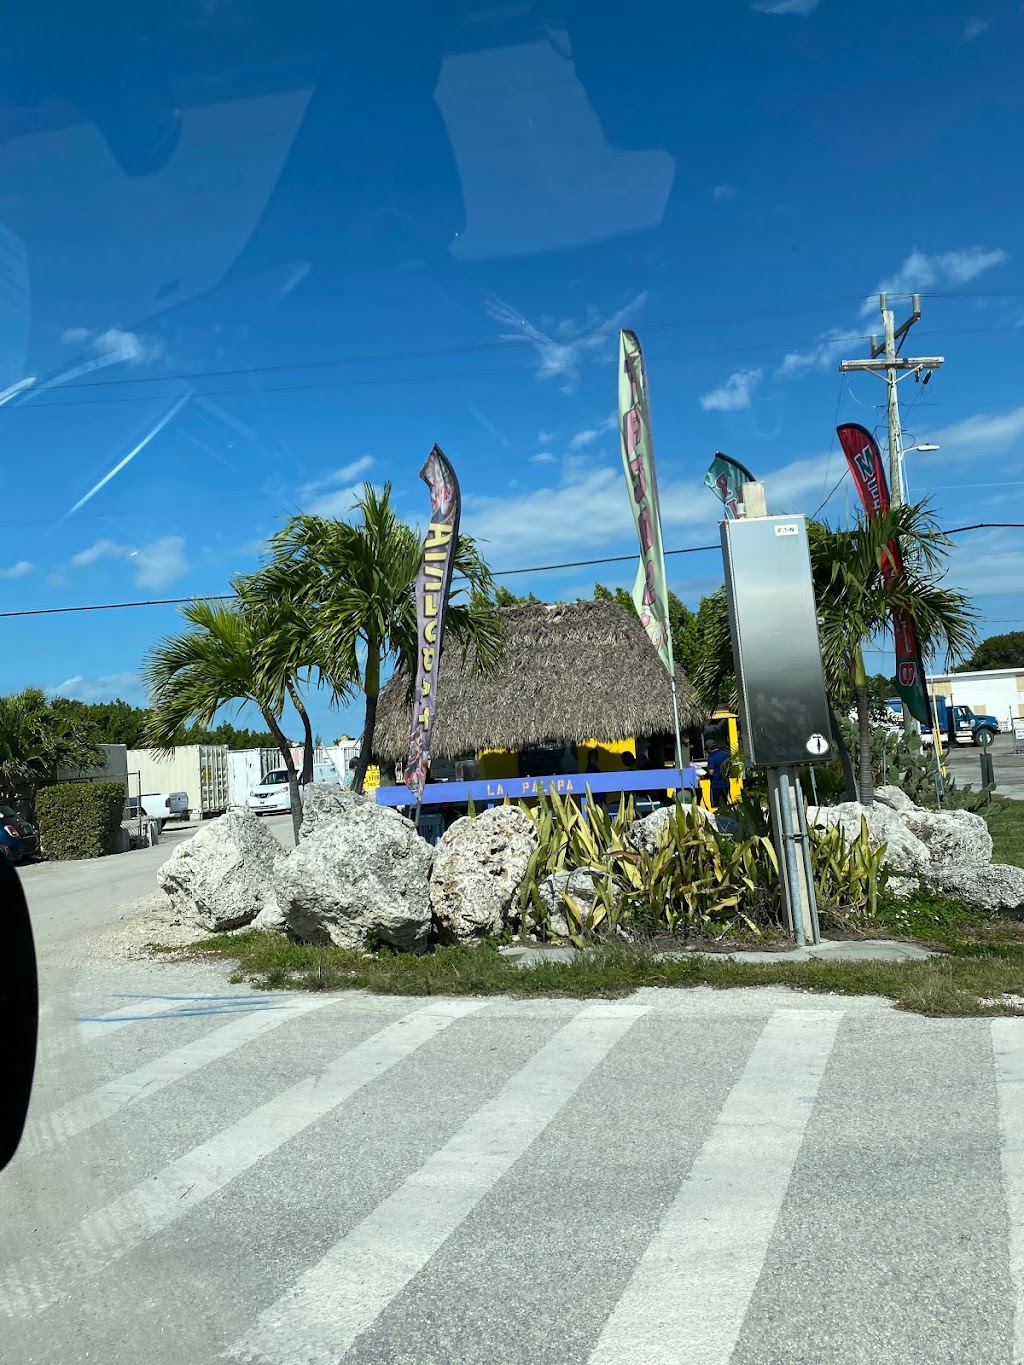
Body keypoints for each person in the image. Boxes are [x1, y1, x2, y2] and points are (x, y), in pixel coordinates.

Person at [706, 742, 731, 808]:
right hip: (726, 783)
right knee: (725, 804)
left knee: (717, 806)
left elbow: (711, 772)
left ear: (709, 749)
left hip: (716, 784)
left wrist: (706, 772)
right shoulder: (725, 755)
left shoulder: (711, 757)